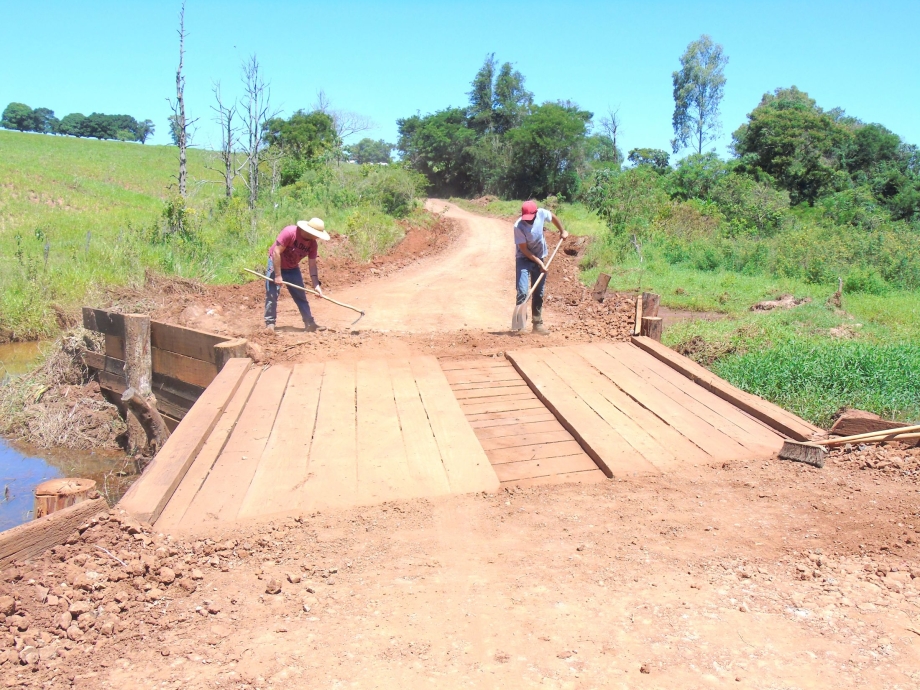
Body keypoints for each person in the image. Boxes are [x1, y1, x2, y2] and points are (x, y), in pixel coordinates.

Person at [264, 218, 330, 333]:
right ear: (311, 232)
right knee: (272, 294)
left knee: (301, 296)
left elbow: (312, 265)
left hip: (292, 268)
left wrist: (316, 285)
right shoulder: (290, 232)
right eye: (317, 235)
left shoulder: (312, 244)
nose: (318, 237)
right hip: (276, 264)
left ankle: (310, 323)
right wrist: (278, 275)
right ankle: (270, 324)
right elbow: (276, 252)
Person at [513, 200, 568, 334]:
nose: (529, 221)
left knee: (538, 292)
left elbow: (553, 217)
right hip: (523, 259)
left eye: (531, 218)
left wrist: (562, 230)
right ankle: (520, 325)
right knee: (523, 292)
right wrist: (540, 263)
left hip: (540, 255)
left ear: (536, 213)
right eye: (526, 219)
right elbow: (524, 250)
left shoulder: (542, 213)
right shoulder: (518, 226)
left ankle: (537, 324)